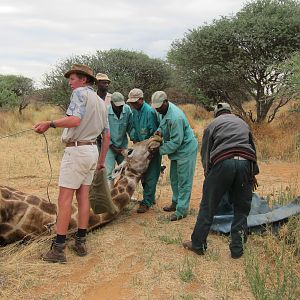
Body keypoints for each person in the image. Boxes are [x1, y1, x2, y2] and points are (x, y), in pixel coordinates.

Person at [34, 64, 110, 263]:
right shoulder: (101, 101)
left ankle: (58, 249)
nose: (70, 83)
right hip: (92, 151)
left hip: (77, 151)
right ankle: (81, 241)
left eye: (73, 78)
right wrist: (101, 161)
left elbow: (75, 120)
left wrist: (49, 123)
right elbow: (107, 135)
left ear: (83, 80)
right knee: (83, 196)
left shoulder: (80, 94)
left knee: (64, 199)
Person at [182, 102, 259, 259]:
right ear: (230, 112)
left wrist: (208, 175)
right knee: (241, 208)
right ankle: (237, 249)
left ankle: (198, 245)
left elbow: (206, 153)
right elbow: (252, 148)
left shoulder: (212, 125)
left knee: (208, 205)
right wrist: (253, 174)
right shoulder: (243, 123)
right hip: (246, 163)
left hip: (223, 163)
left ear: (217, 114)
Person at [151, 91, 198, 221]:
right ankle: (176, 202)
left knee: (184, 180)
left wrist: (159, 150)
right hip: (176, 151)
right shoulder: (163, 111)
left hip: (185, 150)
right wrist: (157, 134)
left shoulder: (176, 117)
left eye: (160, 106)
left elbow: (176, 142)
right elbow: (162, 126)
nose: (158, 109)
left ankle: (181, 210)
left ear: (166, 102)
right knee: (174, 178)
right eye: (156, 107)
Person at [127, 88, 161, 213]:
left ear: (141, 99)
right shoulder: (135, 112)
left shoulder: (150, 112)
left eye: (135, 102)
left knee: (151, 175)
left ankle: (147, 202)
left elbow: (154, 134)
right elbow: (134, 129)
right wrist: (134, 139)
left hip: (150, 150)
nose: (133, 104)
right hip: (140, 149)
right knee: (143, 175)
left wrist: (150, 150)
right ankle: (150, 198)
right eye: (131, 102)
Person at [105, 92, 133, 189]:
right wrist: (113, 147)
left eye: (121, 105)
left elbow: (130, 127)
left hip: (122, 146)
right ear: (112, 103)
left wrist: (135, 140)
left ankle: (122, 194)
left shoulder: (127, 109)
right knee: (109, 172)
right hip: (109, 146)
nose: (120, 107)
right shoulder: (106, 112)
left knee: (125, 170)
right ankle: (109, 197)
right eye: (117, 106)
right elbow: (103, 132)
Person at [95, 73, 111, 151]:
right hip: (95, 134)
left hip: (109, 134)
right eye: (104, 83)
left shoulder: (112, 98)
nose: (107, 85)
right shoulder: (92, 98)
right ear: (97, 83)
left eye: (107, 83)